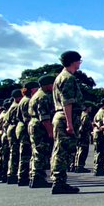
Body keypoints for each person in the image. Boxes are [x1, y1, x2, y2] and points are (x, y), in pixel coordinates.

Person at [50, 51, 84, 194]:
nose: (80, 63)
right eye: (78, 61)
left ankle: (59, 180)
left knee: (61, 150)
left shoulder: (61, 77)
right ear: (73, 62)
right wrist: (70, 123)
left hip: (61, 116)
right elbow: (67, 102)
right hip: (65, 117)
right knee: (62, 151)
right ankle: (59, 182)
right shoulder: (68, 78)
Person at [28, 76, 56, 188]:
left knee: (37, 151)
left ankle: (35, 177)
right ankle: (37, 178)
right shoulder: (42, 97)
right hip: (40, 126)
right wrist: (50, 132)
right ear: (46, 85)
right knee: (40, 152)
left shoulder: (37, 95)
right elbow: (45, 117)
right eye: (51, 84)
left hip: (35, 124)